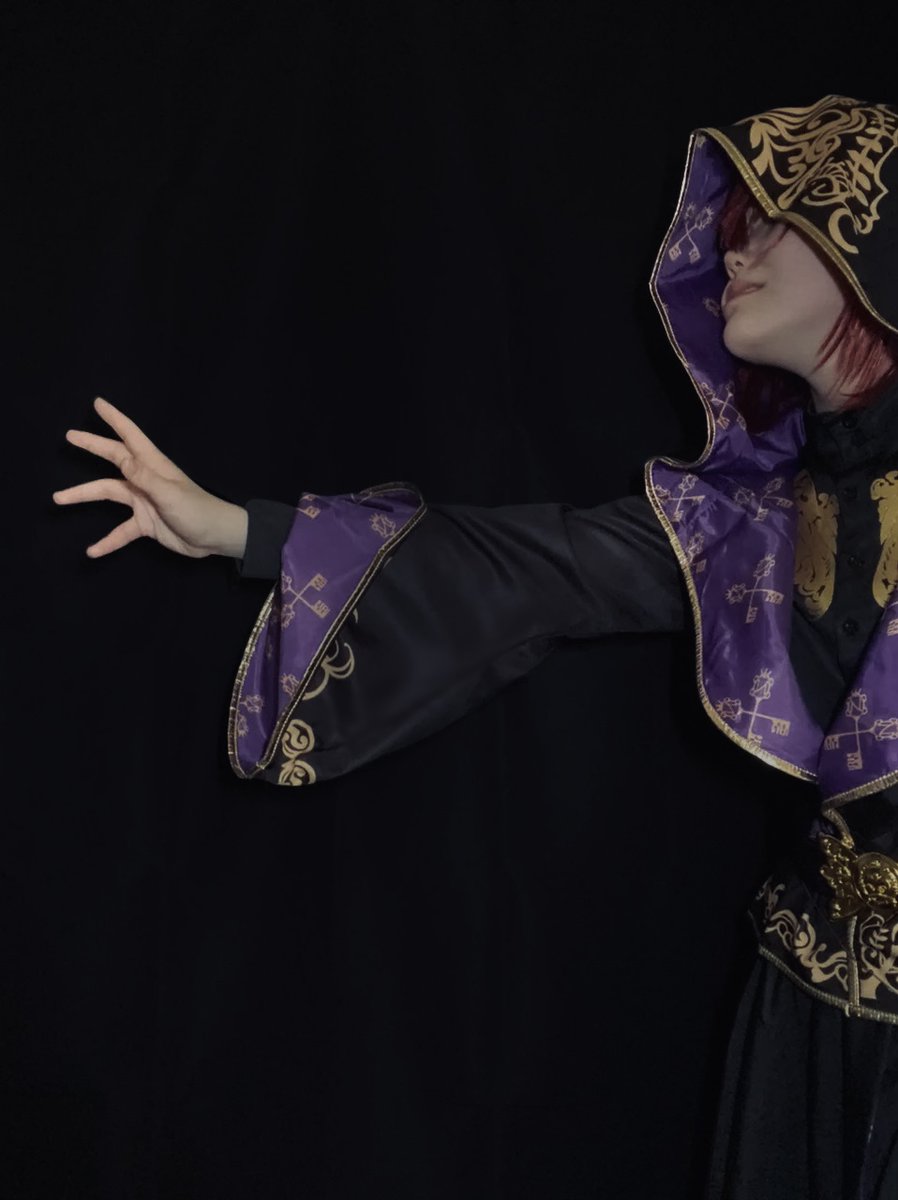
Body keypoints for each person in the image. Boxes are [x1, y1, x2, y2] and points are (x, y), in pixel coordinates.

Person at [52, 94, 898, 1198]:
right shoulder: (749, 525)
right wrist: (230, 529)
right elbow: (523, 567)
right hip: (802, 1006)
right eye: (737, 226)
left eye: (776, 224)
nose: (736, 250)